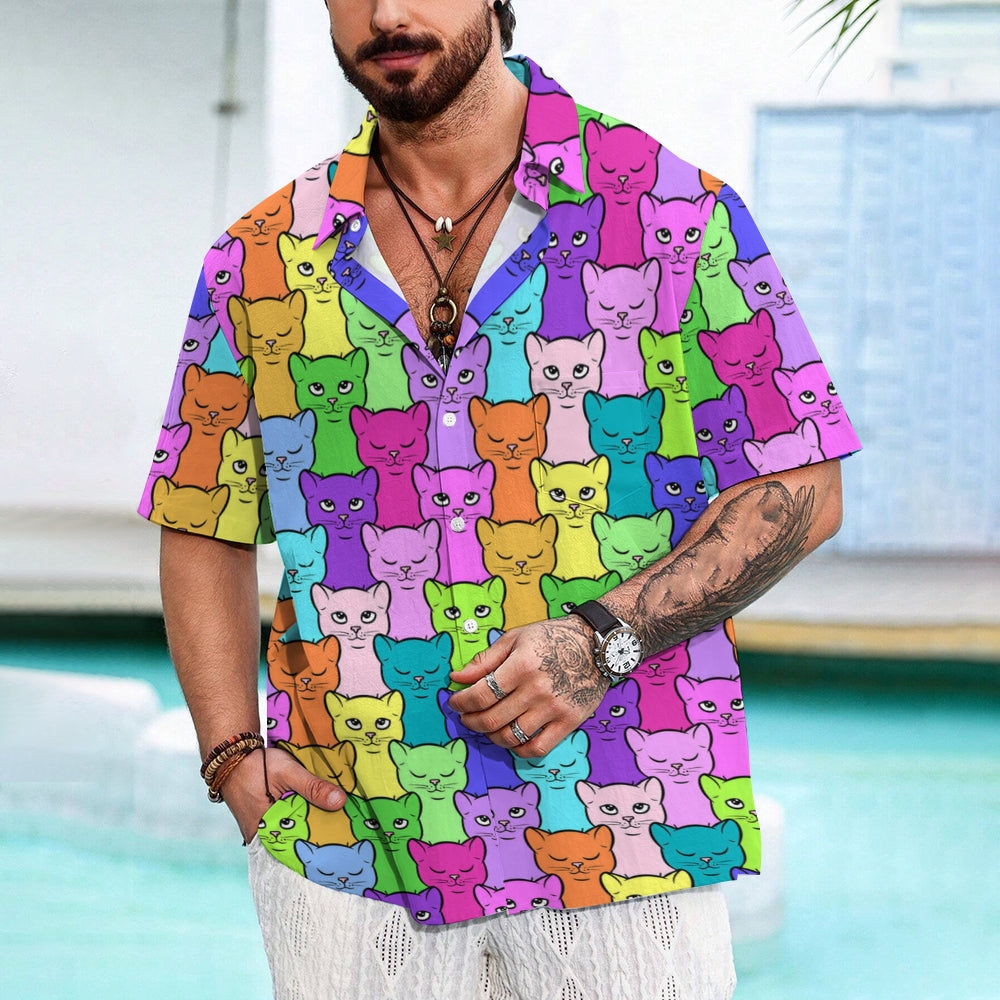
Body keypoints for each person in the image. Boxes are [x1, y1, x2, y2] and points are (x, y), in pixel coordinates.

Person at [142, 2, 860, 998]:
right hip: (353, 848)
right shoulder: (259, 258)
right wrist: (231, 757)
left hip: (621, 830)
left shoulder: (673, 212)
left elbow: (801, 485)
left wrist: (602, 641)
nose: (387, 14)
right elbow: (201, 519)